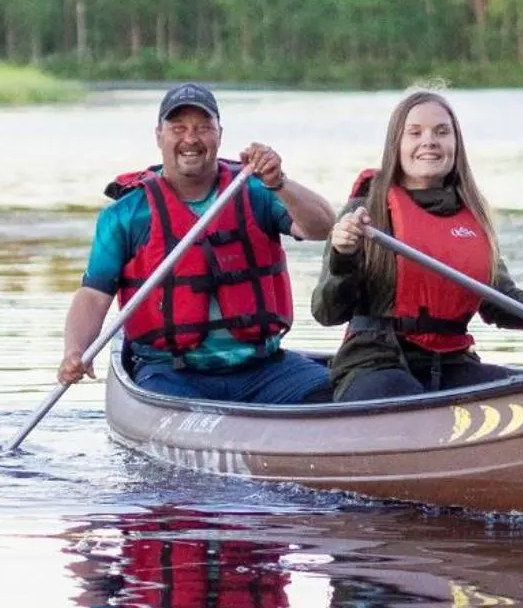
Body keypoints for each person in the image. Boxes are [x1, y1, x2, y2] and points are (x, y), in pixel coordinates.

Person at [58, 82, 336, 403]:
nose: (190, 138)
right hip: (171, 375)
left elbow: (323, 227)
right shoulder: (126, 214)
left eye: (203, 128)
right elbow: (93, 295)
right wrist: (76, 351)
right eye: (178, 128)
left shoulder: (256, 190)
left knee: (338, 394)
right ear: (159, 136)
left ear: (219, 135)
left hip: (263, 369)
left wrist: (279, 182)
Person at [311, 88, 523, 402]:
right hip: (374, 363)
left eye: (441, 132)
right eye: (415, 133)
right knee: (406, 399)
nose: (429, 141)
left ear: (456, 145)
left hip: (451, 363)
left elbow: (498, 298)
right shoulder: (365, 212)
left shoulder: (472, 217)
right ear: (397, 145)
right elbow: (326, 312)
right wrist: (344, 255)